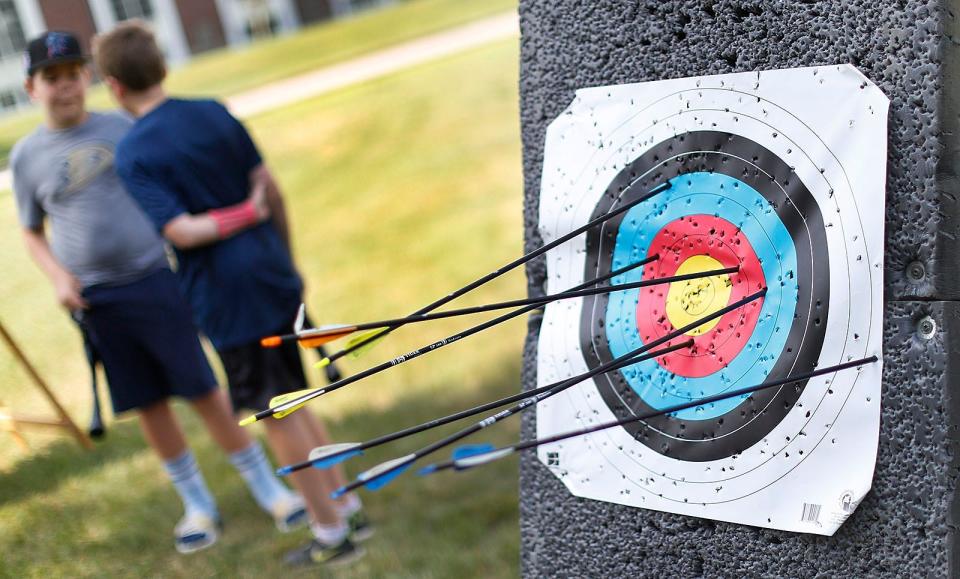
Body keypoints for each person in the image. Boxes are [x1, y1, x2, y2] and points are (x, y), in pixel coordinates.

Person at [11, 31, 309, 555]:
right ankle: (197, 502)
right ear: (30, 88)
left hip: (155, 278)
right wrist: (60, 278)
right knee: (149, 403)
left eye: (73, 74)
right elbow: (31, 232)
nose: (65, 88)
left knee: (203, 389)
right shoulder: (27, 157)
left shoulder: (125, 126)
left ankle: (269, 488)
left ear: (93, 77)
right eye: (51, 79)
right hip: (98, 299)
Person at [93, 21, 370, 567]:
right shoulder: (215, 111)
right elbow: (272, 189)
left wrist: (242, 218)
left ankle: (331, 531)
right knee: (298, 396)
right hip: (270, 274)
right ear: (163, 67)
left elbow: (182, 232)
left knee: (275, 412)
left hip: (229, 297)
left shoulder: (133, 153)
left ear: (113, 86)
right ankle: (346, 503)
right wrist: (285, 261)